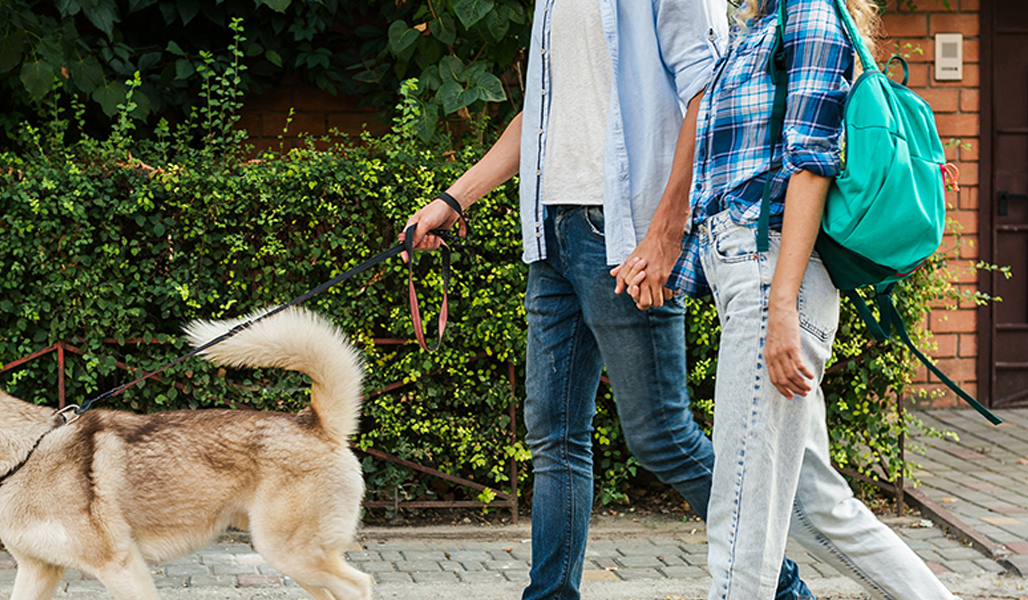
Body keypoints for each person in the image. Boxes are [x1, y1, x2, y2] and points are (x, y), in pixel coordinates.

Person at [400, 1, 814, 599]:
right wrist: (453, 199)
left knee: (661, 436)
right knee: (553, 433)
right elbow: (543, 114)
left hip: (622, 236)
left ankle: (782, 588)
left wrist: (665, 234)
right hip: (551, 234)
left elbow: (708, 96)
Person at [625, 0, 960, 597]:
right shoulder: (758, 26)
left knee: (743, 509)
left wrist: (779, 309)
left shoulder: (810, 15)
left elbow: (812, 167)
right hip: (751, 276)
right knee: (814, 508)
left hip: (772, 277)